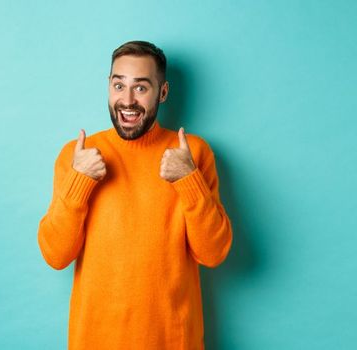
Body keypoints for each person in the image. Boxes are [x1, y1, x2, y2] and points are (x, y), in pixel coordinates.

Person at [37, 40, 233, 349]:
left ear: (163, 92)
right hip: (96, 341)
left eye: (141, 88)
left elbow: (213, 253)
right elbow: (56, 255)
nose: (127, 100)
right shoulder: (78, 156)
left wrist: (188, 180)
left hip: (172, 341)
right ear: (108, 86)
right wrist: (79, 182)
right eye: (119, 85)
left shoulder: (192, 154)